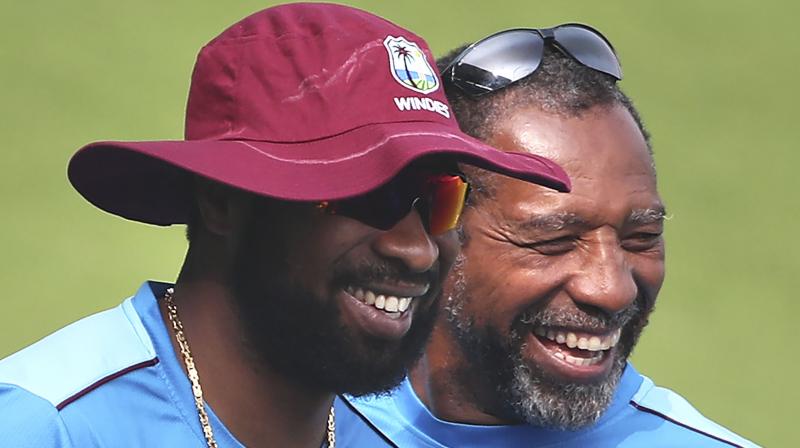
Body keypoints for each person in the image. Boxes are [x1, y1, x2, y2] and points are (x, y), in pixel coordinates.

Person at [0, 5, 570, 447]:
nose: (416, 249)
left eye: (438, 200)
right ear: (224, 201)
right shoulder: (46, 427)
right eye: (368, 194)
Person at [345, 25, 759, 447]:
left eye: (642, 237)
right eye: (554, 242)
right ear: (435, 229)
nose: (612, 290)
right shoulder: (305, 414)